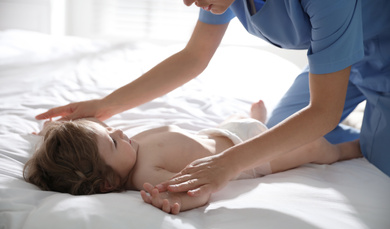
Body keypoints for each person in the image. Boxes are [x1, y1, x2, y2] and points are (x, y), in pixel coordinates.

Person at [35, 1, 390, 199]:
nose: (190, 2)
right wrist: (104, 108)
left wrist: (227, 164)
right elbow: (194, 57)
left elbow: (323, 111)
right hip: (337, 64)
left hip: (381, 56)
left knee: (367, 152)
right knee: (282, 133)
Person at [26, 101, 361, 214]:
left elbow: (91, 138)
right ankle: (352, 149)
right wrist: (179, 203)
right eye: (113, 143)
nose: (118, 133)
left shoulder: (125, 153)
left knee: (250, 123)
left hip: (224, 132)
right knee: (316, 147)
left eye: (110, 130)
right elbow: (193, 191)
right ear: (108, 182)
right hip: (248, 156)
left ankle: (258, 118)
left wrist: (50, 134)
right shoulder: (145, 175)